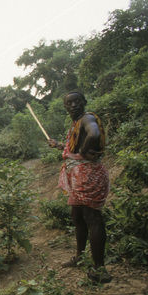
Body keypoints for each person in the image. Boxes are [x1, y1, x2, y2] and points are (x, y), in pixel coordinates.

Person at [47, 91, 111, 283]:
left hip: (88, 175)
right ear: (66, 107)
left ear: (84, 102)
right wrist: (59, 145)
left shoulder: (87, 118)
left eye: (77, 102)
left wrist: (83, 152)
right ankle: (80, 257)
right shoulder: (76, 124)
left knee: (92, 218)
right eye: (69, 103)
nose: (73, 105)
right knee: (77, 216)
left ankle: (100, 269)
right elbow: (73, 147)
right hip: (79, 177)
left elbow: (94, 134)